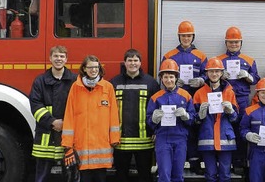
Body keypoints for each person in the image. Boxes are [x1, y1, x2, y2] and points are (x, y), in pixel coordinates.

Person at [61, 55, 120, 182]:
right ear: (84, 69)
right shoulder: (75, 88)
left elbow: (114, 115)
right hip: (81, 147)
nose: (94, 70)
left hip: (101, 148)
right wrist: (67, 145)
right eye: (90, 67)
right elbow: (69, 115)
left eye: (96, 67)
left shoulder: (107, 87)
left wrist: (115, 138)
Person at [161, 20, 207, 175]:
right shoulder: (169, 55)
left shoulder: (200, 56)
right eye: (183, 36)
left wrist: (201, 80)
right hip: (174, 96)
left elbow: (208, 74)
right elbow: (163, 73)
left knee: (194, 129)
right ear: (179, 37)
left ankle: (194, 162)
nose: (186, 38)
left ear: (192, 37)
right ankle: (174, 163)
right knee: (177, 128)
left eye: (188, 36)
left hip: (194, 97)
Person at [110, 49, 159, 182]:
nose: (133, 63)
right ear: (124, 63)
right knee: (121, 175)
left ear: (140, 63)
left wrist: (156, 129)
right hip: (121, 141)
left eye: (135, 60)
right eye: (130, 60)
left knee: (145, 176)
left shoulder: (151, 83)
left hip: (145, 140)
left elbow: (158, 108)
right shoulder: (114, 82)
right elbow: (108, 110)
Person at [30, 45, 78, 182]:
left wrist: (67, 124)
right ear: (50, 58)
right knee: (42, 176)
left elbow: (80, 106)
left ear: (66, 59)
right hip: (47, 136)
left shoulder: (75, 81)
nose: (59, 59)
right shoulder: (40, 81)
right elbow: (35, 105)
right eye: (56, 56)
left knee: (71, 176)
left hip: (68, 135)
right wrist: (52, 121)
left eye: (62, 56)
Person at [217, 26, 260, 173]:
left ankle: (239, 161)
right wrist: (220, 76)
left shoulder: (249, 60)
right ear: (226, 43)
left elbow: (256, 80)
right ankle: (224, 162)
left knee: (241, 129)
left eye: (236, 42)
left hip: (242, 99)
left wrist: (248, 77)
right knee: (223, 129)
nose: (233, 45)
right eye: (230, 42)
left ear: (241, 43)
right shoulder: (219, 60)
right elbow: (212, 76)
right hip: (224, 98)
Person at [146, 59, 196, 182]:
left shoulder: (186, 95)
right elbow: (149, 121)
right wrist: (154, 119)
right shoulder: (155, 97)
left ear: (176, 78)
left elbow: (193, 118)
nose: (169, 80)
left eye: (171, 77)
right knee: (164, 175)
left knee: (178, 175)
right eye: (165, 77)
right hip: (163, 139)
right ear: (161, 78)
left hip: (180, 139)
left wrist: (186, 116)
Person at [193, 57, 239, 182]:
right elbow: (194, 121)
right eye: (211, 71)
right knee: (210, 175)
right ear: (206, 73)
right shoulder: (199, 93)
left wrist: (231, 111)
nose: (214, 74)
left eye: (217, 71)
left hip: (225, 139)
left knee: (225, 175)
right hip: (207, 139)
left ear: (222, 73)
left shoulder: (229, 92)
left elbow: (235, 119)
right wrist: (199, 115)